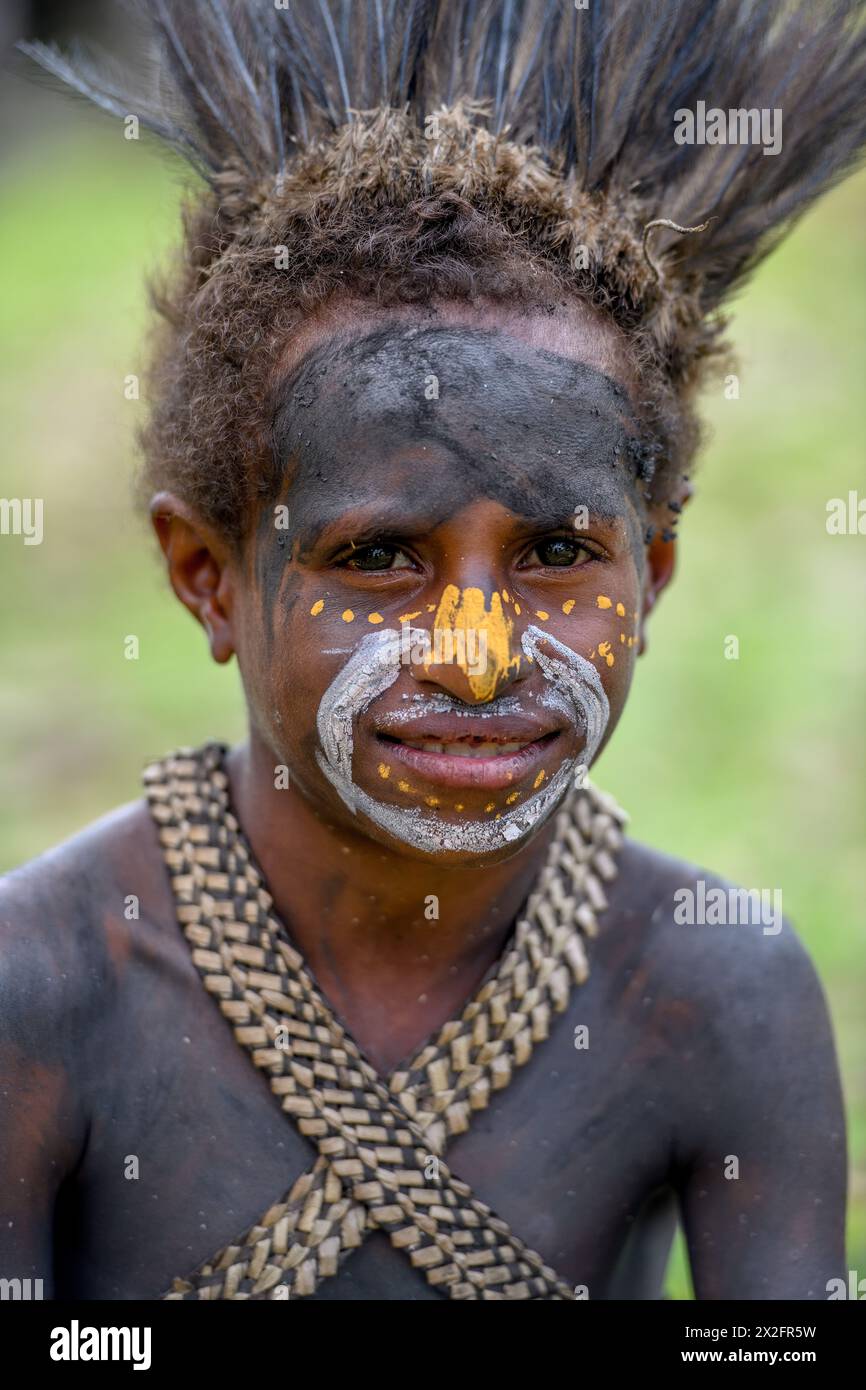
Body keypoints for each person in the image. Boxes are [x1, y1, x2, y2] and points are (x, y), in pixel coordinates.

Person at [2, 0, 862, 1300]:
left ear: (656, 570)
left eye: (557, 555)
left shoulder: (713, 983)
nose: (475, 654)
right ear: (208, 576)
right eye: (379, 559)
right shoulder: (48, 984)